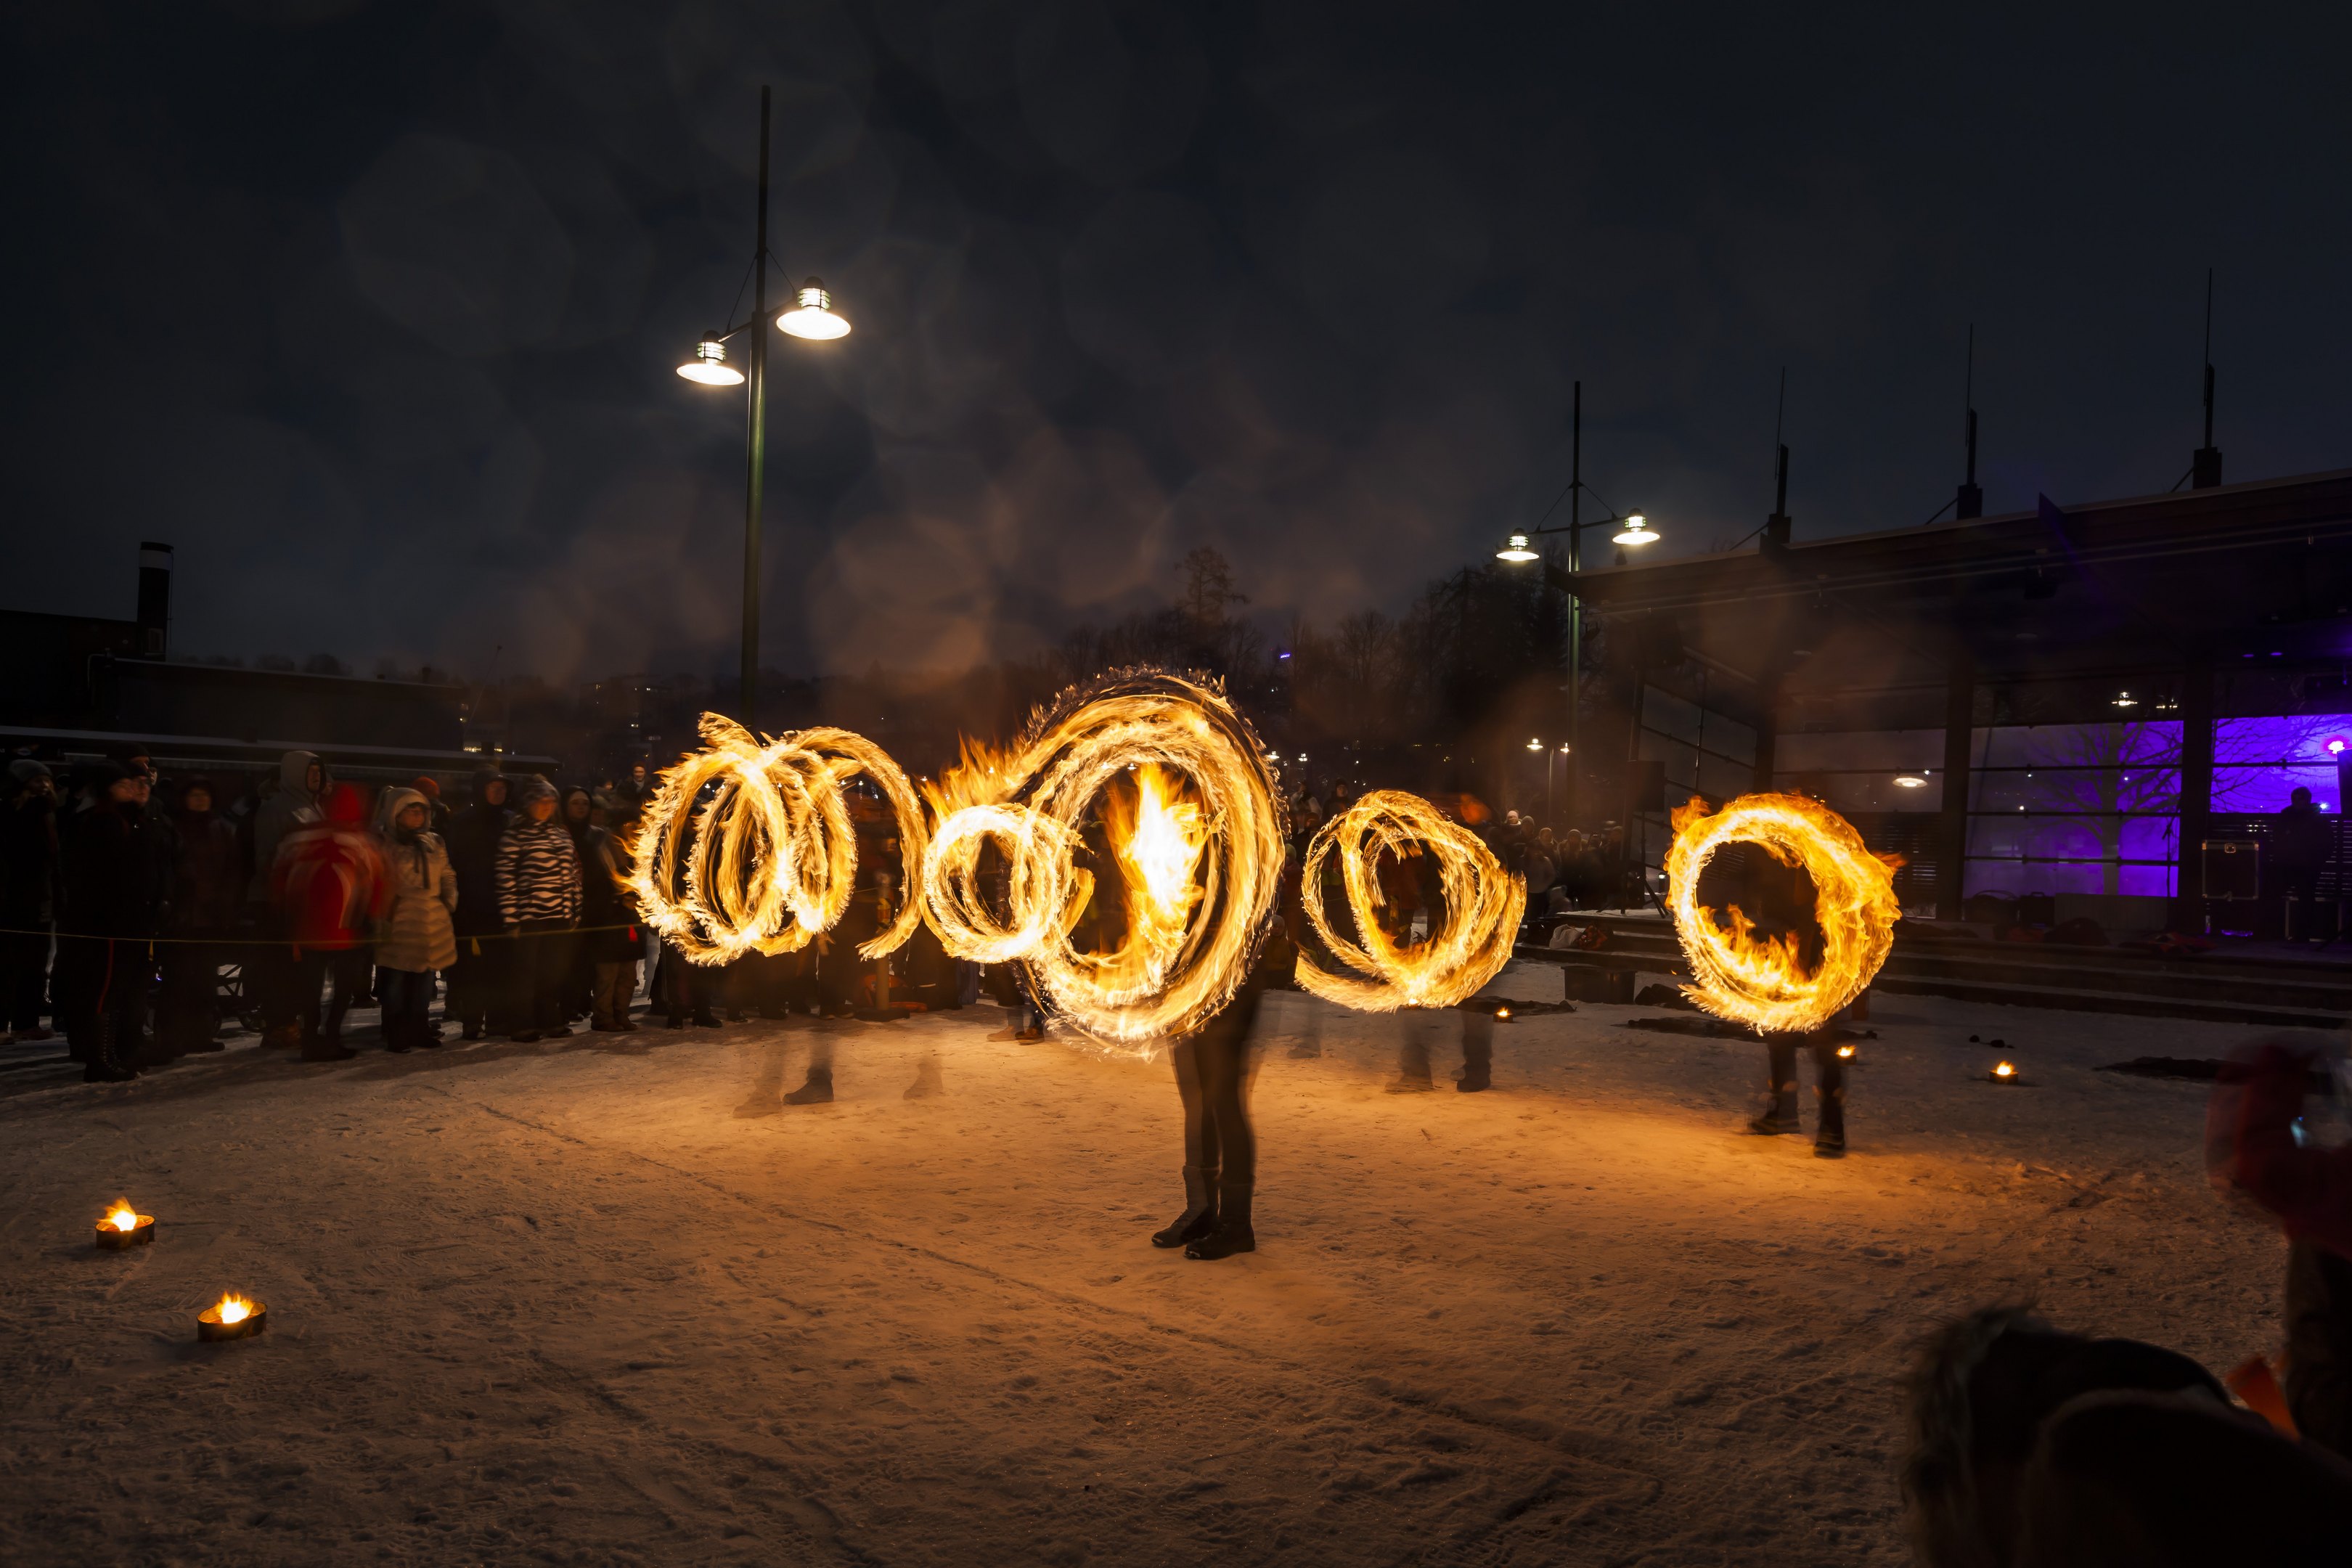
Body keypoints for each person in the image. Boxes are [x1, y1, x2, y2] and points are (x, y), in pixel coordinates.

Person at [1154, 944, 1280, 1261]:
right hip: (1187, 974)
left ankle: (1236, 1225)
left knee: (1223, 1101)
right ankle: (1201, 1210)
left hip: (1231, 974)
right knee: (1196, 1100)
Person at [56, 760, 167, 1081]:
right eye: (122, 787)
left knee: (116, 990)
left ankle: (111, 1054)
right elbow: (104, 878)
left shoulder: (127, 821)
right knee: (103, 991)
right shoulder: (101, 823)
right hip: (105, 924)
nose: (131, 791)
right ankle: (99, 1060)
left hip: (124, 922)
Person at [274, 783, 388, 1061]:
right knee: (343, 990)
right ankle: (332, 1037)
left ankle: (311, 1040)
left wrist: (287, 920)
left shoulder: (301, 838)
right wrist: (374, 918)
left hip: (309, 931)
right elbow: (378, 882)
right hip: (348, 931)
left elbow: (279, 879)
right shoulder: (362, 842)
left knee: (311, 992)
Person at [158, 776, 241, 1055]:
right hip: (180, 917)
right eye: (194, 795)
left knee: (205, 980)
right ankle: (170, 1038)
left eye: (204, 795)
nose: (199, 799)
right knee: (177, 980)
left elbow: (232, 871)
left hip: (210, 917)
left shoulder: (221, 829)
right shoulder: (174, 827)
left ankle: (200, 1034)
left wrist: (226, 907)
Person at [496, 775, 581, 1042]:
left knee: (552, 972)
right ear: (528, 804)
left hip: (559, 915)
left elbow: (573, 873)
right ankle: (521, 1022)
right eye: (541, 802)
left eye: (551, 802)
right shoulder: (515, 835)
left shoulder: (560, 833)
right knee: (525, 974)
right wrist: (512, 919)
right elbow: (505, 877)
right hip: (529, 917)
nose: (547, 807)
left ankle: (549, 1019)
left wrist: (574, 908)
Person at [246, 750, 323, 1047]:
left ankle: (292, 1020)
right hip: (279, 901)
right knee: (281, 965)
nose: (316, 777)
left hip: (307, 900)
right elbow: (267, 858)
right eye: (310, 772)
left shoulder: (313, 807)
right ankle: (280, 1024)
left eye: (319, 772)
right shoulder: (276, 808)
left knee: (301, 967)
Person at [374, 786, 457, 1053]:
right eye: (411, 810)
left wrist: (447, 900)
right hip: (398, 920)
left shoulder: (434, 842)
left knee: (424, 979)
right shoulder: (384, 843)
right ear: (396, 813)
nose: (417, 815)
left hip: (430, 920)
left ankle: (419, 1027)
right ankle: (396, 1030)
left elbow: (446, 873)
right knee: (397, 980)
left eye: (421, 810)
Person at [444, 770, 512, 1039]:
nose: (498, 792)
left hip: (503, 907)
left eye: (502, 788)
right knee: (472, 970)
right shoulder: (463, 822)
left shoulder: (509, 821)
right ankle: (472, 1020)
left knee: (500, 967)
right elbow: (454, 863)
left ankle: (496, 1019)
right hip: (472, 907)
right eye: (492, 787)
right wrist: (460, 905)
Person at [1, 760, 60, 1043]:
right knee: (7, 964)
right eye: (37, 780)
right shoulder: (12, 812)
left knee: (35, 965)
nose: (44, 785)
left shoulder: (49, 813)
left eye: (46, 780)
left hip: (42, 899)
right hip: (13, 899)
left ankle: (27, 1022)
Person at [581, 801, 643, 1032]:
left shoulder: (636, 850)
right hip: (609, 920)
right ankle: (603, 1016)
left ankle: (621, 1013)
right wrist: (620, 897)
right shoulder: (605, 846)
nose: (635, 828)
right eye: (630, 824)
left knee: (628, 972)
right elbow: (601, 883)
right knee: (609, 973)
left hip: (630, 920)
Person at [2273, 785, 2332, 939]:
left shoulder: (2287, 815)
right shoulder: (2317, 818)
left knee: (2288, 896)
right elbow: (2327, 842)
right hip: (2304, 864)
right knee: (2306, 898)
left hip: (2296, 863)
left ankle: (2277, 932)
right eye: (2296, 799)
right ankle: (2301, 934)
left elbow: (2279, 837)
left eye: (2299, 799)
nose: (2297, 802)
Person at [559, 787, 597, 1021]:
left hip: (592, 905)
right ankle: (567, 1004)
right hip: (567, 905)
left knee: (586, 960)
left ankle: (583, 1000)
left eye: (585, 803)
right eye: (575, 803)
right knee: (567, 961)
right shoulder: (561, 834)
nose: (581, 807)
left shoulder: (595, 834)